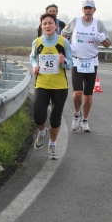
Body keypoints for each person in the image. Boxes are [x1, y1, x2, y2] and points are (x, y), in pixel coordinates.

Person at [61, 0, 111, 132]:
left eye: (90, 8)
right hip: (77, 61)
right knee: (77, 93)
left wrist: (102, 39)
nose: (88, 11)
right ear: (82, 9)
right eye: (85, 8)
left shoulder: (98, 24)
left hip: (91, 62)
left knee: (88, 96)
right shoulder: (74, 21)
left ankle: (85, 120)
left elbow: (107, 44)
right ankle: (77, 114)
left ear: (94, 10)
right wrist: (67, 46)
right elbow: (63, 36)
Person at [30, 13, 73, 159]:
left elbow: (71, 64)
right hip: (42, 83)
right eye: (45, 24)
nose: (47, 26)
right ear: (41, 26)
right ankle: (42, 132)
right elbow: (33, 57)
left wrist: (64, 61)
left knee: (55, 119)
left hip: (60, 86)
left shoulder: (63, 42)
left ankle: (52, 145)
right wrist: (35, 66)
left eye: (50, 23)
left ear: (56, 25)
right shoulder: (37, 42)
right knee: (38, 115)